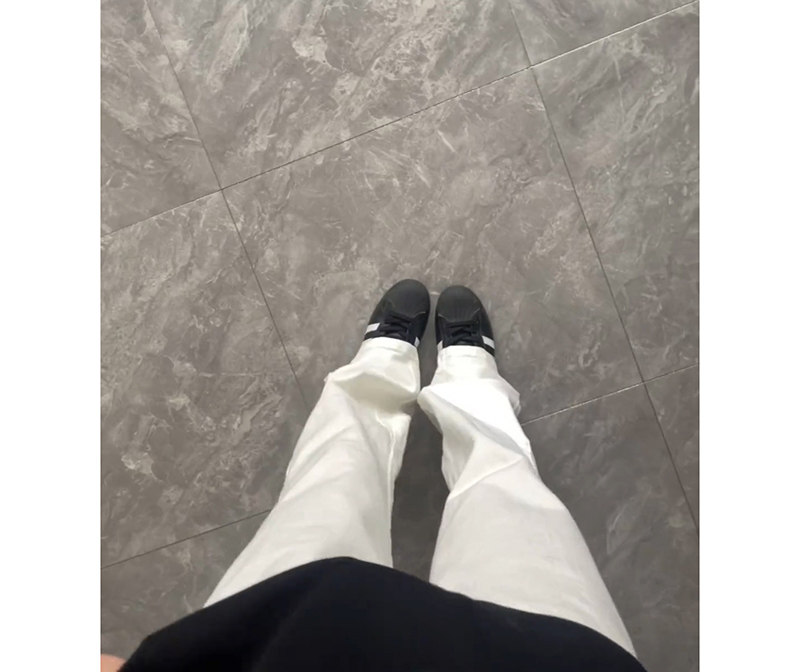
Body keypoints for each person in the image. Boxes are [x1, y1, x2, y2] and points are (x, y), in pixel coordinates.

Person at [106, 280, 645, 671]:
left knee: (327, 491)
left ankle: (380, 368)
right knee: (509, 504)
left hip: (282, 647)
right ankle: (470, 382)